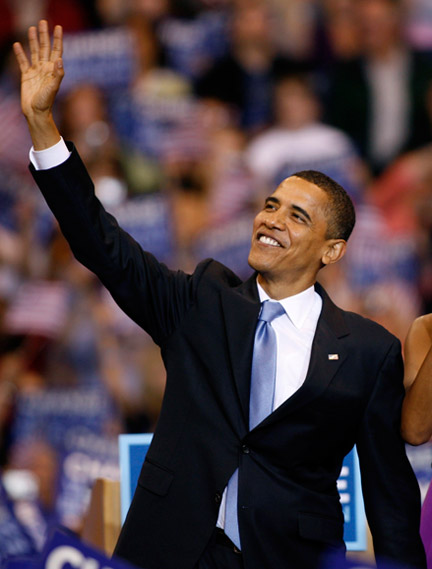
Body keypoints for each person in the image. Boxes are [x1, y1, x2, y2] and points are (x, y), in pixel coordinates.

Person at [13, 20, 426, 569]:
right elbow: (100, 242)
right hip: (168, 550)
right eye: (271, 205)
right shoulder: (201, 303)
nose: (271, 220)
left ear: (332, 251)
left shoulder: (368, 352)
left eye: (297, 216)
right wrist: (42, 124)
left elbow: (390, 498)